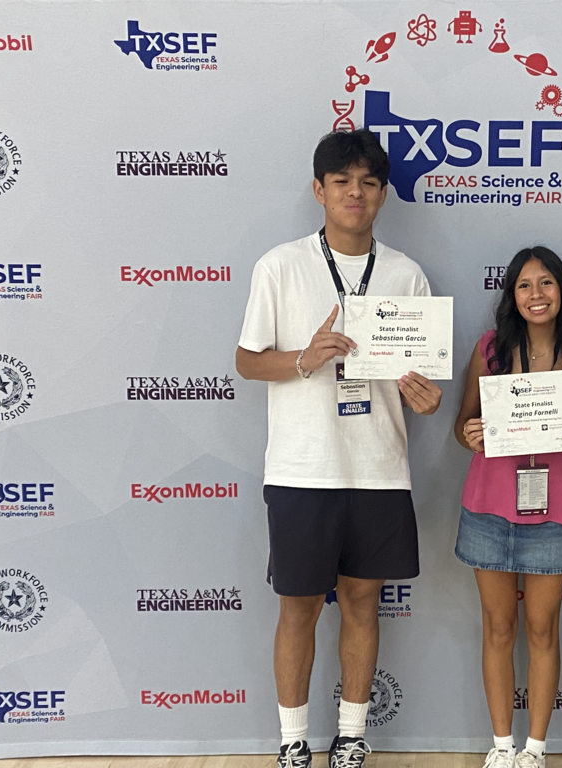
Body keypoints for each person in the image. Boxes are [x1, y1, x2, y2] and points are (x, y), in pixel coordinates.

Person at [235, 129, 442, 768]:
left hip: (379, 467)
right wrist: (303, 357)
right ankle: (293, 740)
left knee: (361, 603)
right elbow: (246, 361)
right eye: (343, 182)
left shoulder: (406, 274)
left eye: (369, 183)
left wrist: (424, 399)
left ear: (383, 194)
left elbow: (423, 380)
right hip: (303, 467)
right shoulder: (281, 264)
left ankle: (352, 734)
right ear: (319, 190)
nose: (357, 193)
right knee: (297, 607)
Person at [454, 246, 562, 768]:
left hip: (554, 511)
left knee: (543, 630)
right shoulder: (490, 349)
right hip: (489, 508)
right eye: (524, 285)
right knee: (498, 628)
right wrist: (470, 434)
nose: (535, 294)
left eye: (545, 283)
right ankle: (501, 747)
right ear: (510, 295)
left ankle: (535, 750)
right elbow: (462, 424)